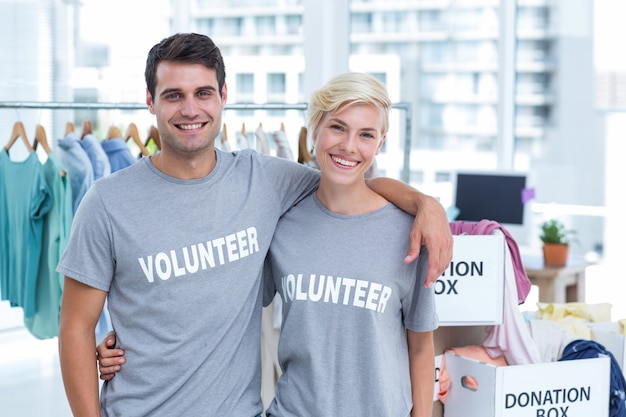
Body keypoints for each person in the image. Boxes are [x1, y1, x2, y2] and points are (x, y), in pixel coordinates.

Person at [58, 33, 452, 417]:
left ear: (223, 97)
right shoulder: (107, 202)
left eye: (203, 93)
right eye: (173, 95)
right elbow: (76, 328)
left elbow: (347, 179)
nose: (190, 109)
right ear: (150, 101)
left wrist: (426, 204)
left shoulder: (264, 180)